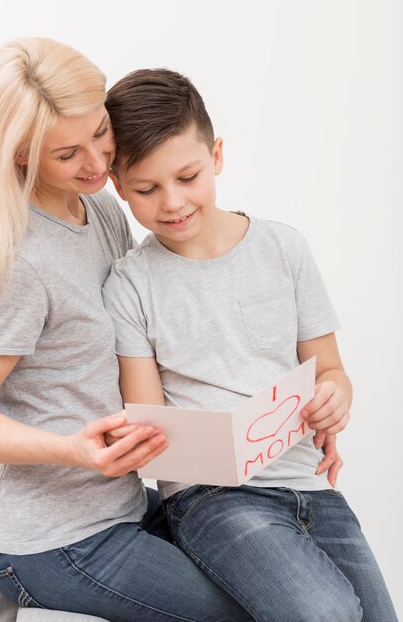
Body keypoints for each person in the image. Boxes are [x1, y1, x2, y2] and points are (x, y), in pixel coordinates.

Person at [0, 38, 259, 621]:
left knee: (287, 589)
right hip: (53, 544)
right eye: (67, 154)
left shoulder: (101, 209)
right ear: (19, 155)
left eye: (100, 133)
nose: (96, 163)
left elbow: (143, 326)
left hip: (126, 504)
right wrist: (73, 452)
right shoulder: (18, 263)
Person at [102, 68, 398, 622]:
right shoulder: (131, 284)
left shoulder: (284, 249)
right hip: (212, 498)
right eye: (146, 189)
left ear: (217, 154)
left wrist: (335, 397)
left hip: (311, 486)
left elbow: (329, 369)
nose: (172, 202)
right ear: (119, 187)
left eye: (187, 176)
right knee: (323, 615)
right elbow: (149, 422)